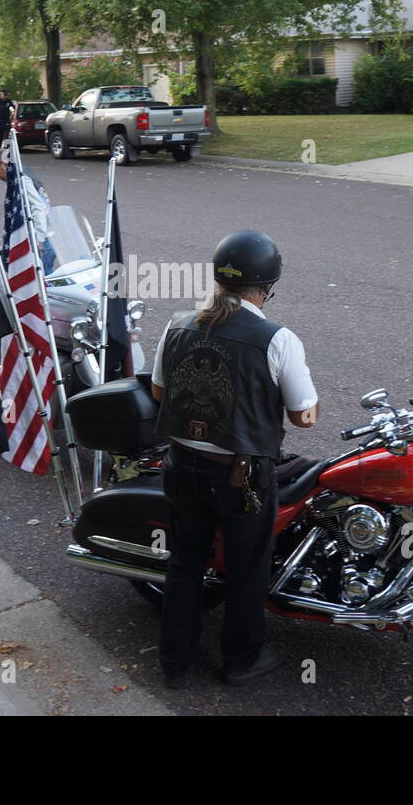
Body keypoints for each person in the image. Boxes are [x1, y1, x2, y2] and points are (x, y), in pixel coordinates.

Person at [149, 230, 318, 689]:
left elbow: (159, 392)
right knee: (247, 568)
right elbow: (303, 417)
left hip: (182, 465)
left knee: (185, 562)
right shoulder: (277, 338)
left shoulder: (178, 323)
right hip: (240, 476)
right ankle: (240, 659)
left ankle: (174, 662)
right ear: (265, 287)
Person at [0, 146, 54, 272]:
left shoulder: (22, 179)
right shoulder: (24, 173)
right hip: (48, 233)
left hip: (41, 239)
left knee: (44, 281)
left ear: (3, 163)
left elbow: (38, 207)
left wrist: (39, 239)